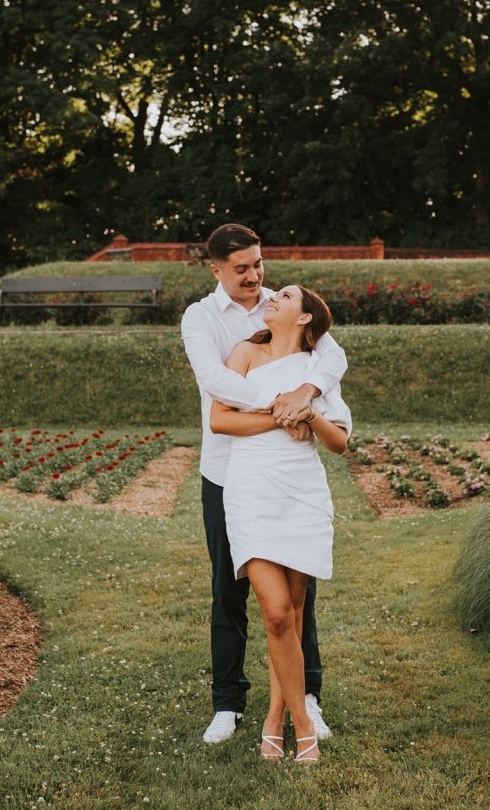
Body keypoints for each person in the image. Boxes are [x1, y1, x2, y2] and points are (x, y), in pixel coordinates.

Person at [180, 224, 347, 746]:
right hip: (228, 471)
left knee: (299, 596)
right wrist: (282, 407)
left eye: (258, 264)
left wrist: (309, 387)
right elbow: (215, 382)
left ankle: (307, 698)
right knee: (228, 592)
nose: (255, 278)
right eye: (242, 269)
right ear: (216, 269)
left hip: (288, 472)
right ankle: (228, 704)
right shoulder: (201, 317)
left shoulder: (282, 303)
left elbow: (333, 356)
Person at [211, 285, 349, 764]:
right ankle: (304, 725)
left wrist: (309, 414)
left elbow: (340, 443)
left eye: (286, 295)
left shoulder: (318, 369)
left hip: (302, 491)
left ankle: (274, 719)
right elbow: (220, 421)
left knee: (291, 611)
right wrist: (278, 413)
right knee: (274, 611)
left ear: (306, 316)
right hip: (250, 486)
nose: (274, 295)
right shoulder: (246, 352)